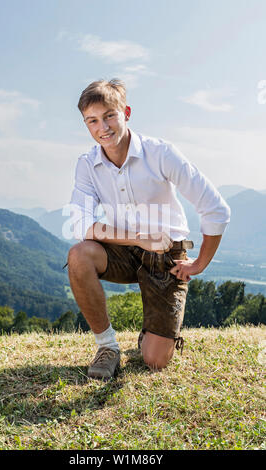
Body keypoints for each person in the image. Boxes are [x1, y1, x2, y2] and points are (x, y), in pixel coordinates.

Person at [66, 79, 230, 380]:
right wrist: (138, 239)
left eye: (109, 115)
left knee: (154, 360)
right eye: (92, 120)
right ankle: (107, 347)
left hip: (166, 255)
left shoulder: (160, 153)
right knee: (79, 255)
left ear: (126, 112)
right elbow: (80, 224)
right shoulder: (87, 164)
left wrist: (200, 263)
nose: (103, 127)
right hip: (124, 249)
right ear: (86, 124)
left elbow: (215, 207)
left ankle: (154, 335)